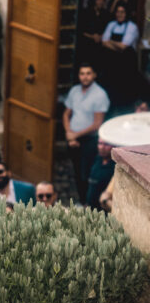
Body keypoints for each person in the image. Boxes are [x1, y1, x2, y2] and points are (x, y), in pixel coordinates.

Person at [63, 64, 109, 204]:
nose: (85, 76)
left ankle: (90, 204)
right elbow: (66, 114)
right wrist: (69, 133)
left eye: (88, 73)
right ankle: (81, 200)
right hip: (73, 138)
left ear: (94, 75)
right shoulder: (74, 91)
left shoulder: (100, 94)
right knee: (76, 172)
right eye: (82, 73)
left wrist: (75, 136)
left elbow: (97, 124)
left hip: (89, 140)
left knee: (87, 174)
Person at [86, 139, 115, 211]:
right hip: (90, 208)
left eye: (106, 144)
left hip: (103, 212)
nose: (102, 147)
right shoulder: (97, 159)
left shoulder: (115, 167)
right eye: (100, 143)